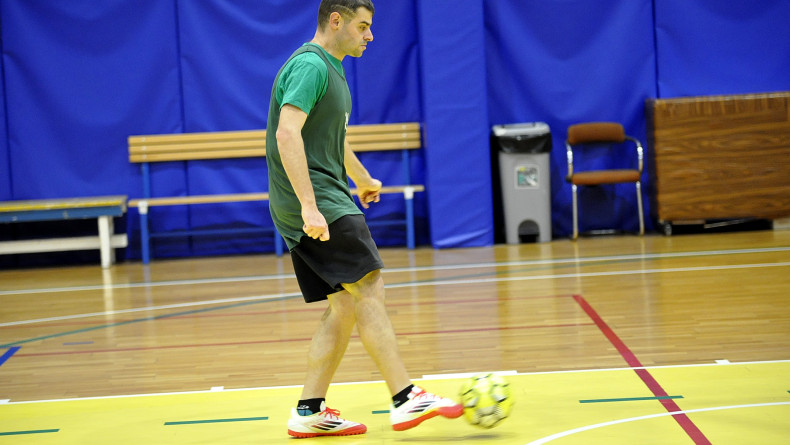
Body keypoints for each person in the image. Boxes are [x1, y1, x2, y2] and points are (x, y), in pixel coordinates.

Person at [265, 0, 463, 439]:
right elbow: (286, 132)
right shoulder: (311, 66)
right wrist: (309, 206)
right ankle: (405, 397)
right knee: (370, 285)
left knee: (345, 304)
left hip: (322, 197)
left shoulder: (331, 69)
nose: (369, 36)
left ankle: (309, 410)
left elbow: (330, 138)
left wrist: (362, 177)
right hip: (318, 201)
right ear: (335, 20)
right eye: (362, 26)